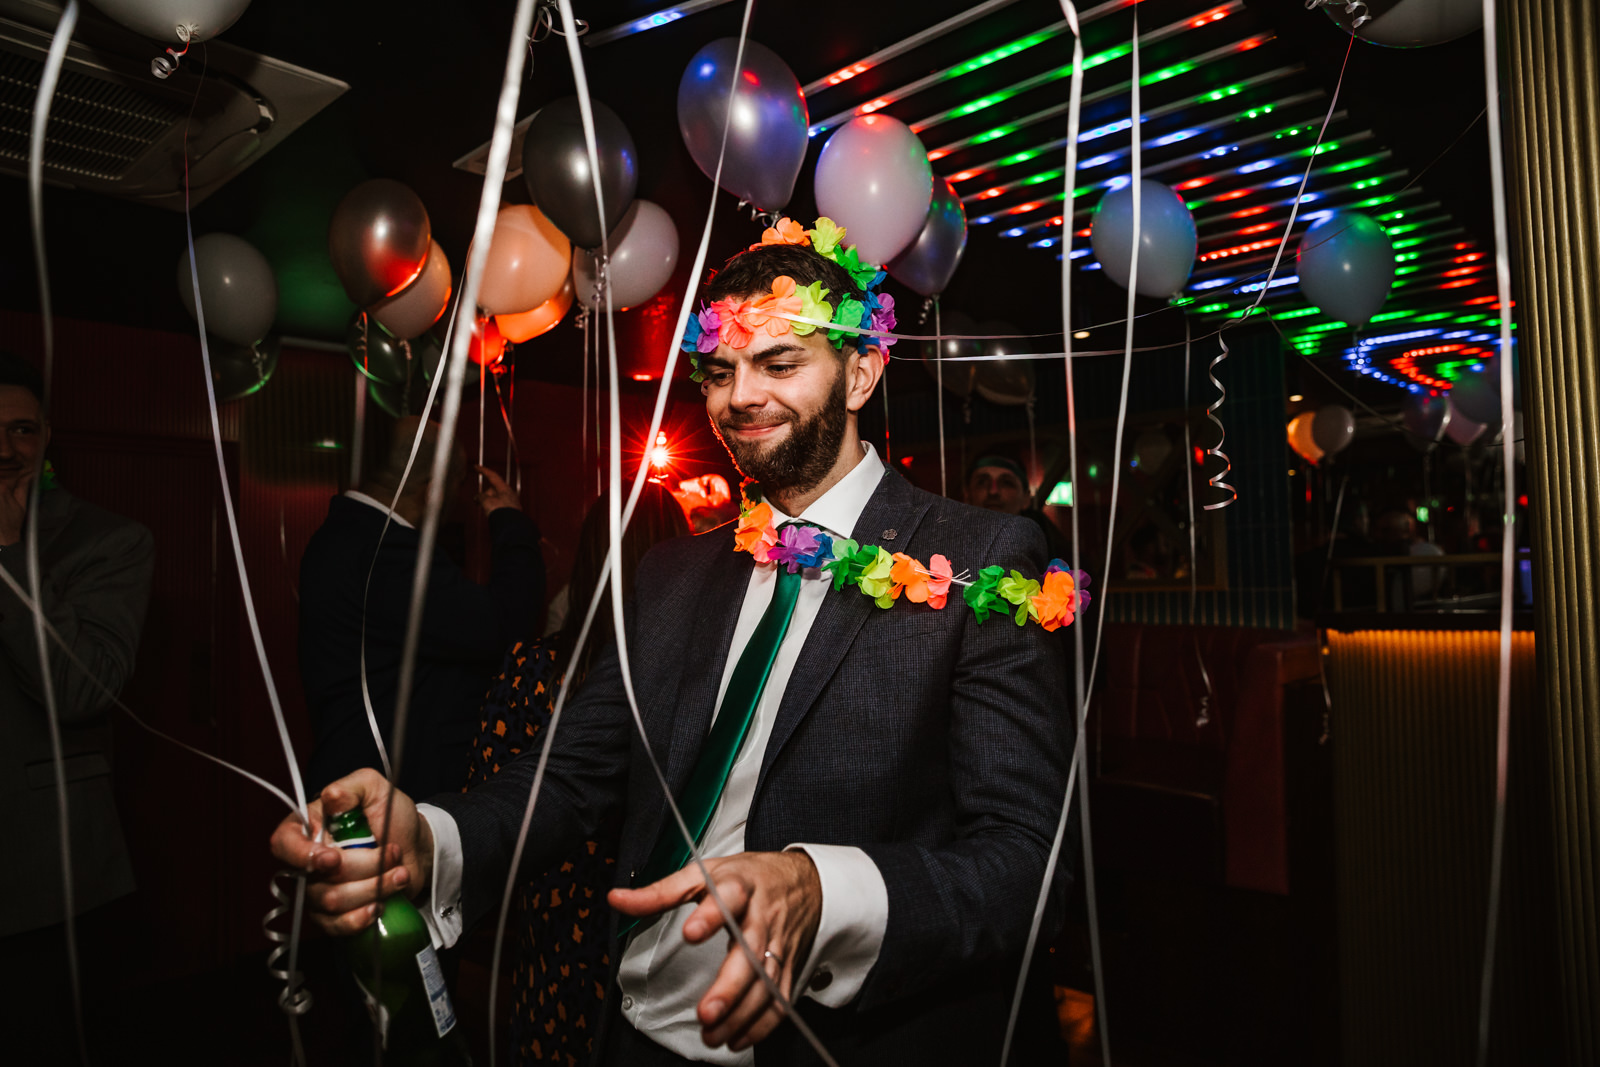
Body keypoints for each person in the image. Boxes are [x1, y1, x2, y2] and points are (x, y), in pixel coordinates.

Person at [273, 218, 1076, 1065]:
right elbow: (571, 774)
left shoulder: (981, 561)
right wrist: (430, 837)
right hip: (637, 1029)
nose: (741, 398)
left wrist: (822, 888)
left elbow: (1026, 863)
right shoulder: (669, 573)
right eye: (721, 371)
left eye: (779, 363)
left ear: (862, 373)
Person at [463, 483, 690, 1065]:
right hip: (664, 928)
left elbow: (487, 794)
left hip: (555, 929)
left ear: (589, 558)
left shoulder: (531, 669)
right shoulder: (697, 681)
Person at [0, 350, 154, 1042]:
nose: (5, 450)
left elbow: (80, 685)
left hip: (45, 872)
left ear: (47, 436)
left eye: (22, 430)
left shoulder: (109, 540)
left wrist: (7, 547)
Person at [298, 416, 544, 801]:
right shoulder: (387, 553)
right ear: (431, 492)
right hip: (378, 797)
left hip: (353, 780)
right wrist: (511, 521)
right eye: (456, 486)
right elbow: (505, 625)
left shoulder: (340, 537)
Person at [966, 453, 1071, 560]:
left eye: (1006, 483)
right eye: (982, 482)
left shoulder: (1051, 548)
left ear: (1026, 498)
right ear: (967, 495)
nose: (993, 491)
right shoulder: (954, 541)